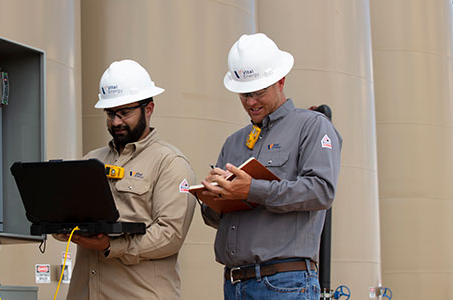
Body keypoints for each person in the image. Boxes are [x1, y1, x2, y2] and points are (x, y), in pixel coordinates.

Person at [200, 33, 342, 300]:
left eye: (258, 92)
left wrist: (252, 189)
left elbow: (322, 191)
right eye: (243, 94)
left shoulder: (312, 126)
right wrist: (212, 199)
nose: (250, 102)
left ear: (280, 81)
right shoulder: (234, 142)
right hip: (234, 283)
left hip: (285, 283)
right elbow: (216, 218)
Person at [58, 59, 196, 300]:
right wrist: (58, 222)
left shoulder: (170, 162)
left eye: (124, 113)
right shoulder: (91, 160)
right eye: (110, 113)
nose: (116, 122)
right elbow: (67, 216)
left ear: (149, 109)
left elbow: (170, 235)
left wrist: (111, 246)